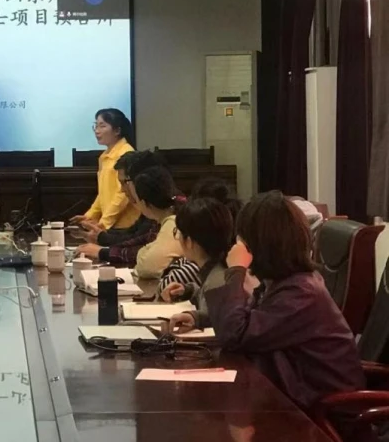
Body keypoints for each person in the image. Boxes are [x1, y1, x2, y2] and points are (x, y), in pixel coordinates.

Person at [171, 191, 365, 411]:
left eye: (242, 238)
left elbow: (236, 335)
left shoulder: (301, 293)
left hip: (321, 412)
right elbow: (254, 319)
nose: (237, 245)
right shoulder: (285, 282)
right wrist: (200, 318)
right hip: (293, 397)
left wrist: (236, 270)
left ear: (258, 245)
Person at [74, 150, 160, 265]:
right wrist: (100, 236)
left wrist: (102, 251)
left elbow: (145, 253)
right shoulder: (150, 208)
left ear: (140, 180)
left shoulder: (167, 210)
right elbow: (134, 236)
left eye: (124, 183)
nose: (122, 190)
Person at [159, 198, 235, 327]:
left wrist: (196, 318)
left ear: (189, 241)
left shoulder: (217, 281)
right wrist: (188, 291)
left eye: (178, 233)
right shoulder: (220, 269)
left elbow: (216, 317)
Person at [69, 108, 140, 234]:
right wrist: (90, 216)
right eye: (96, 126)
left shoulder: (126, 153)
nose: (97, 131)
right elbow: (103, 193)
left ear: (117, 130)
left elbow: (123, 195)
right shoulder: (104, 156)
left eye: (102, 126)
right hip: (111, 225)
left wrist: (104, 223)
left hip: (125, 225)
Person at [126, 166, 195, 281]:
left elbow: (149, 267)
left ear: (144, 202)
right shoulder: (172, 217)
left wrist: (141, 254)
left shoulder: (174, 222)